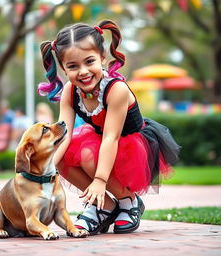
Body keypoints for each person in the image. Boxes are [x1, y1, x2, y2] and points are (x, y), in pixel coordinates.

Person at [37, 20, 180, 235]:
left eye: (89, 61)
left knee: (86, 154)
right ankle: (104, 207)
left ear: (102, 58)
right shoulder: (70, 91)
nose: (83, 72)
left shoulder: (116, 89)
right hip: (99, 140)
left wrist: (99, 180)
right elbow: (63, 135)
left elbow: (111, 138)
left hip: (130, 144)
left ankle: (129, 202)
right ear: (64, 69)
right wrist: (45, 170)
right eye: (73, 66)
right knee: (63, 156)